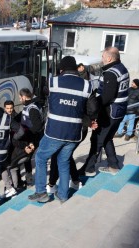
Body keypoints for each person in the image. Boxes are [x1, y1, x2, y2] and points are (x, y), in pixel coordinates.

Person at [28, 56, 92, 203]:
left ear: (61, 69)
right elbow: (92, 108)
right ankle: (63, 195)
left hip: (55, 131)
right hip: (75, 133)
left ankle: (41, 193)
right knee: (64, 161)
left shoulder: (53, 82)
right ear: (76, 68)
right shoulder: (87, 85)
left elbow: (41, 95)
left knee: (40, 157)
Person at [79, 47, 129, 176]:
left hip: (110, 112)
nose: (101, 59)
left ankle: (88, 168)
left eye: (102, 57)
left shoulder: (111, 73)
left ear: (109, 58)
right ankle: (114, 165)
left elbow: (107, 97)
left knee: (97, 139)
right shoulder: (121, 68)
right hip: (119, 111)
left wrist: (94, 107)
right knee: (107, 138)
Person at [18, 88, 45, 187]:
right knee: (27, 158)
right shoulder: (27, 106)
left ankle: (30, 180)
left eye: (20, 98)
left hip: (33, 138)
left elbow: (37, 126)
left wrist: (28, 135)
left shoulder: (32, 108)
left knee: (28, 157)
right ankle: (29, 179)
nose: (19, 100)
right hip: (30, 137)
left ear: (24, 97)